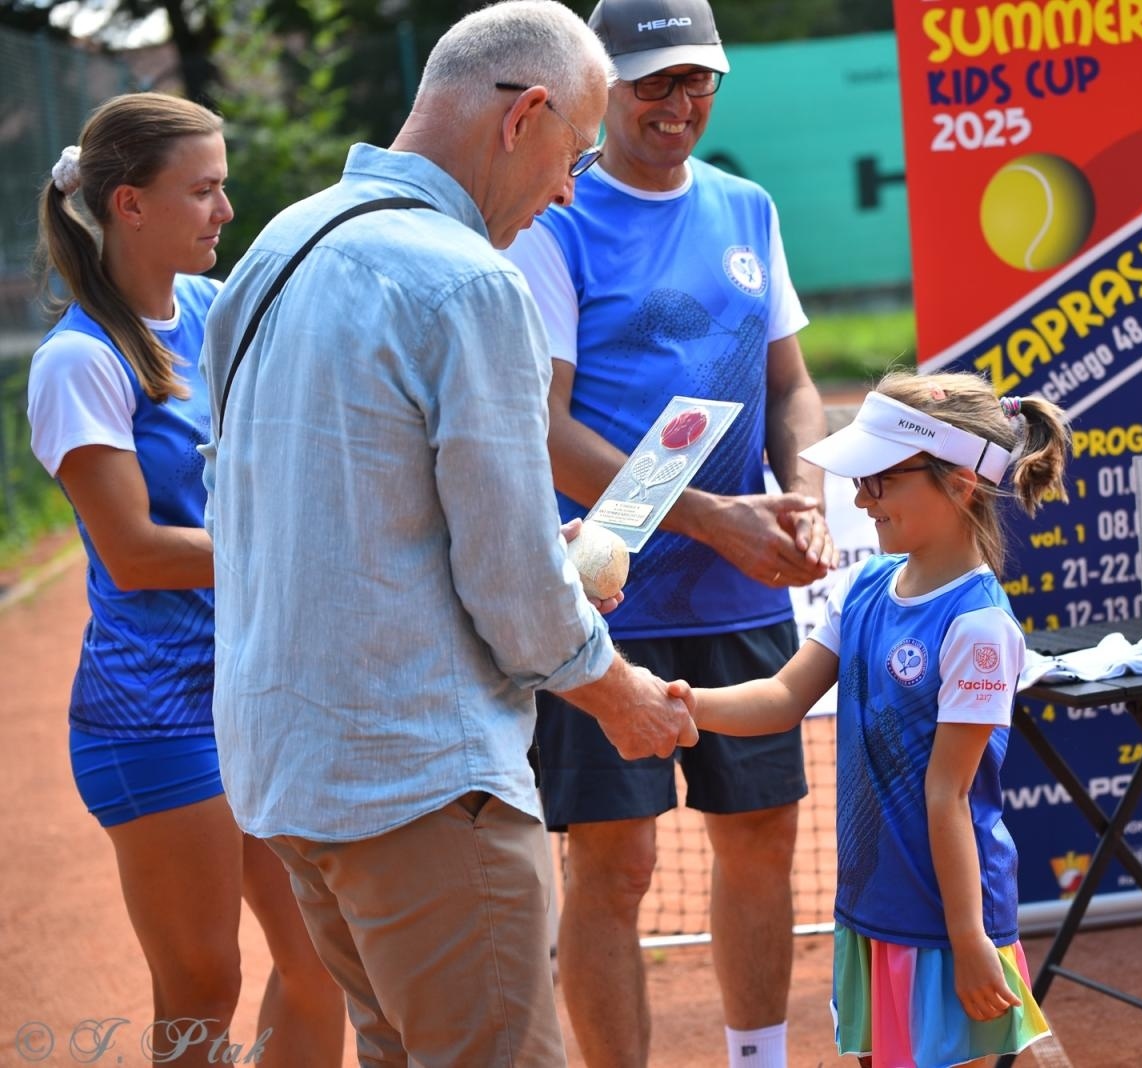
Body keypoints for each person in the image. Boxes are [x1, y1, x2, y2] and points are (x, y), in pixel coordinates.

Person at [198, 4, 697, 1063]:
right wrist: (621, 696)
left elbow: (290, 506)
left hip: (291, 779)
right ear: (524, 116)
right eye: (573, 152)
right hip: (420, 786)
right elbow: (516, 593)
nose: (569, 189)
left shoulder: (275, 247)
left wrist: (535, 560)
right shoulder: (471, 280)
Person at [502, 1, 834, 1064]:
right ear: (604, 93)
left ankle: (758, 1059)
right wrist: (714, 522)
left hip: (742, 597)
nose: (678, 104)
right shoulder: (553, 222)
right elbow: (544, 432)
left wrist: (806, 493)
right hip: (604, 603)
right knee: (612, 868)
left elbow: (793, 386)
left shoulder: (746, 208)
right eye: (653, 83)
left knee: (760, 843)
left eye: (698, 81)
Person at [26, 94, 344, 1066]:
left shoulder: (214, 311)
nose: (225, 210)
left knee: (323, 961)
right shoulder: (78, 361)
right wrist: (299, 545)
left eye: (223, 186)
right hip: (153, 711)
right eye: (202, 190)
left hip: (253, 690)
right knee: (204, 981)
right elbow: (134, 550)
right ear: (128, 204)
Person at [691, 371, 1064, 1067]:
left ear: (959, 482)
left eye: (880, 480)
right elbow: (780, 698)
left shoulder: (979, 627)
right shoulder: (864, 587)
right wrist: (688, 707)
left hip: (944, 921)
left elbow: (947, 793)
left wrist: (967, 939)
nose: (860, 499)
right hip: (870, 909)